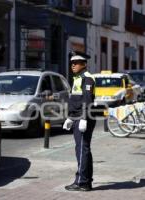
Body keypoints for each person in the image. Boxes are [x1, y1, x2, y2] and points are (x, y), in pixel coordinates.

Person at [63, 51, 96, 192]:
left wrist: (83, 118)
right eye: (72, 63)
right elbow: (76, 100)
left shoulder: (87, 78)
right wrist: (70, 117)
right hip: (77, 117)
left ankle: (82, 182)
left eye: (76, 63)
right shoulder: (77, 78)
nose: (73, 65)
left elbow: (87, 101)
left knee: (82, 150)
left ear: (84, 64)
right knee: (82, 150)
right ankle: (85, 181)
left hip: (85, 118)